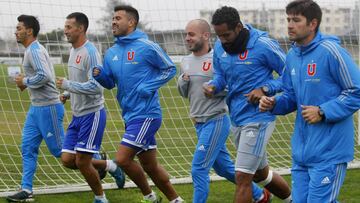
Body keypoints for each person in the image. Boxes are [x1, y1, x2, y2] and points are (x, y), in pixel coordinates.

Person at [259, 0, 360, 202]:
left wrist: (322, 111)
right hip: (302, 153)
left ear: (312, 24)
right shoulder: (292, 55)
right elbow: (290, 95)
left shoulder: (331, 51)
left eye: (296, 20)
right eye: (288, 19)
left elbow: (356, 91)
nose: (289, 24)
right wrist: (274, 104)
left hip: (330, 151)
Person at [92, 5, 183, 203]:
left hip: (147, 114)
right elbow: (110, 84)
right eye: (113, 18)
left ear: (131, 22)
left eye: (118, 18)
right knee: (150, 166)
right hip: (130, 115)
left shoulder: (146, 46)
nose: (113, 22)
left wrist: (148, 86)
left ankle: (150, 197)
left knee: (123, 159)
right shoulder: (111, 52)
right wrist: (100, 76)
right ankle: (174, 200)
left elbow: (169, 69)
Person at [203, 6, 292, 203]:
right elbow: (220, 75)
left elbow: (290, 75)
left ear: (239, 27)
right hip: (236, 116)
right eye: (219, 36)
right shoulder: (219, 46)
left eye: (226, 35)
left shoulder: (263, 44)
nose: (223, 40)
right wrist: (214, 85)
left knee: (243, 176)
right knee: (261, 174)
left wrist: (265, 89)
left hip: (260, 116)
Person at [178, 19, 271, 203]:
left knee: (199, 169)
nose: (187, 38)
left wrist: (215, 89)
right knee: (224, 169)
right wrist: (183, 81)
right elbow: (184, 92)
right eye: (186, 34)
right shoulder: (185, 61)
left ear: (205, 36)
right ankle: (260, 195)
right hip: (198, 123)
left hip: (216, 120)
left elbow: (233, 88)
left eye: (191, 34)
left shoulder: (218, 58)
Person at [56, 12, 125, 203]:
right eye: (65, 26)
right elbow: (81, 82)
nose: (65, 30)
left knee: (82, 161)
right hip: (77, 115)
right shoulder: (72, 51)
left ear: (81, 28)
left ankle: (101, 198)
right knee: (68, 159)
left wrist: (68, 85)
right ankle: (110, 165)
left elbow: (96, 87)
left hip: (92, 114)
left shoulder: (91, 52)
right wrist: (68, 94)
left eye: (69, 27)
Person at [6, 15, 65, 202]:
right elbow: (39, 77)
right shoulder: (30, 50)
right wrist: (27, 83)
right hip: (36, 108)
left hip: (49, 108)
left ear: (29, 31)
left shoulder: (35, 51)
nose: (16, 31)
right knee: (27, 147)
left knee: (61, 152)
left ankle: (107, 165)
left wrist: (24, 80)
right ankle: (26, 189)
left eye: (19, 28)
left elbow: (45, 76)